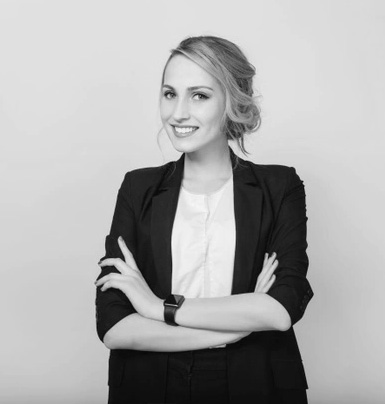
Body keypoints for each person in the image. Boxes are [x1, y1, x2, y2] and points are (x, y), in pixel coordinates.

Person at [95, 35, 313, 404]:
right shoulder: (137, 188)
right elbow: (114, 326)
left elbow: (279, 310)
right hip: (151, 385)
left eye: (199, 95)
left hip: (257, 383)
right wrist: (237, 328)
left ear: (233, 101)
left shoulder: (280, 187)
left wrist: (156, 307)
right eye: (170, 94)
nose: (178, 113)